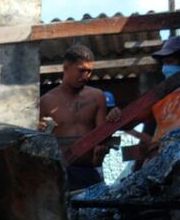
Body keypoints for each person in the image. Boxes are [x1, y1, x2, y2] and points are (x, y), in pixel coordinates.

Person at [38, 44, 120, 190]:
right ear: (66, 68)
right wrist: (40, 130)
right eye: (81, 71)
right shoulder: (46, 101)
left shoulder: (97, 97)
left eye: (89, 71)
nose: (85, 76)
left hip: (89, 171)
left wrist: (113, 120)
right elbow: (39, 142)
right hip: (59, 174)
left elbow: (102, 136)